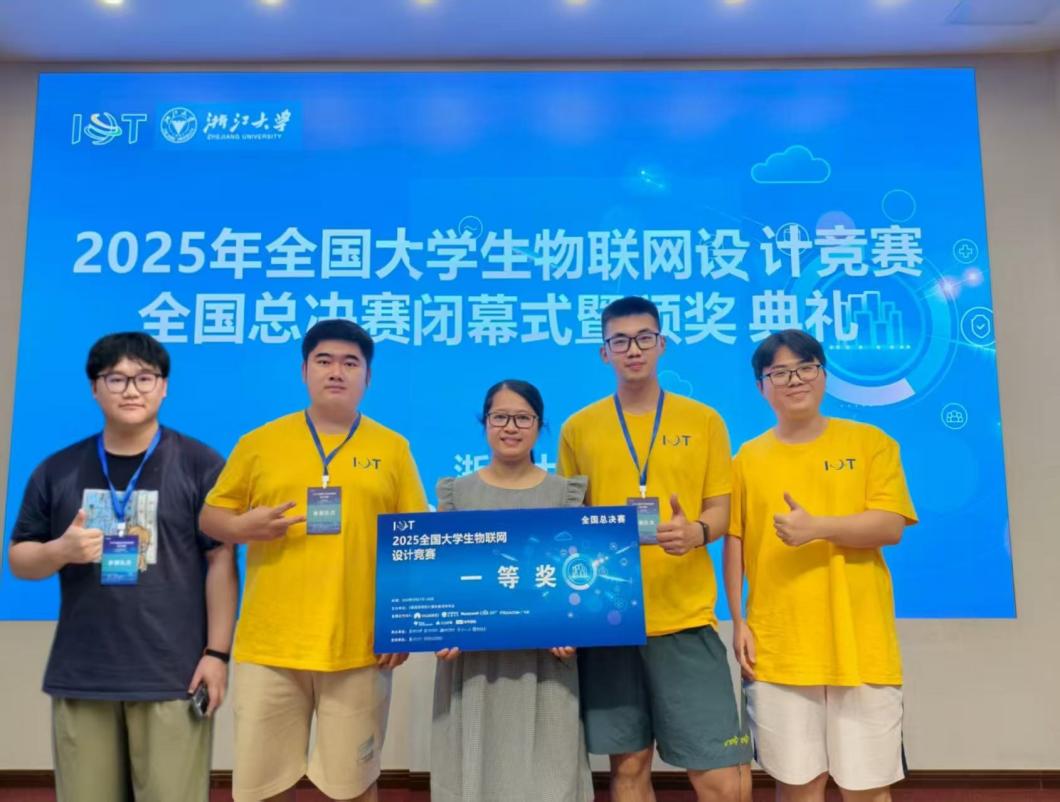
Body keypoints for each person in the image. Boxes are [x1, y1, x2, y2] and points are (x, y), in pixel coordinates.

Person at [199, 319, 428, 802]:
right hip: (270, 646)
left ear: (368, 376)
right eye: (324, 361)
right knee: (261, 787)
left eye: (350, 363)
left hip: (359, 647)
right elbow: (210, 517)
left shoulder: (392, 449)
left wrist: (400, 626)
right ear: (304, 371)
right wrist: (242, 528)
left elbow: (413, 542)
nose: (336, 372)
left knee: (354, 786)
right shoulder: (259, 443)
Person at [8, 332, 237, 802]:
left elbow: (221, 562)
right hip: (83, 675)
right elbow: (20, 559)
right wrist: (59, 551)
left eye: (144, 378)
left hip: (173, 675)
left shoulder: (201, 465)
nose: (131, 390)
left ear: (164, 387)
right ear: (95, 388)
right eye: (116, 379)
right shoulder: (58, 470)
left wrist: (217, 655)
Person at [558, 297, 751, 802]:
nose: (633, 349)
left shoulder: (704, 420)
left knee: (721, 777)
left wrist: (697, 533)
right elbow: (570, 525)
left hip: (684, 619)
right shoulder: (579, 428)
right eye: (620, 340)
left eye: (644, 337)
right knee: (628, 768)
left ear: (662, 344)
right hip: (611, 623)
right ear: (604, 352)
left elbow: (720, 509)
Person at [724, 329, 917, 802]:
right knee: (797, 786)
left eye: (805, 367)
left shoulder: (870, 442)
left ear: (824, 375)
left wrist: (818, 528)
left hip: (861, 644)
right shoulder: (747, 458)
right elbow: (735, 539)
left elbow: (891, 524)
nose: (795, 380)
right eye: (779, 372)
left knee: (866, 788)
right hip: (780, 646)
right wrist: (739, 620)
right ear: (761, 387)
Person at [431, 379, 593, 802]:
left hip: (548, 664)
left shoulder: (565, 495)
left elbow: (581, 577)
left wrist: (575, 628)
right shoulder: (457, 494)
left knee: (549, 778)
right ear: (484, 422)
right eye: (500, 416)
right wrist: (438, 629)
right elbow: (442, 579)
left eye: (523, 418)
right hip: (472, 664)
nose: (510, 427)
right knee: (474, 772)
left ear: (540, 425)